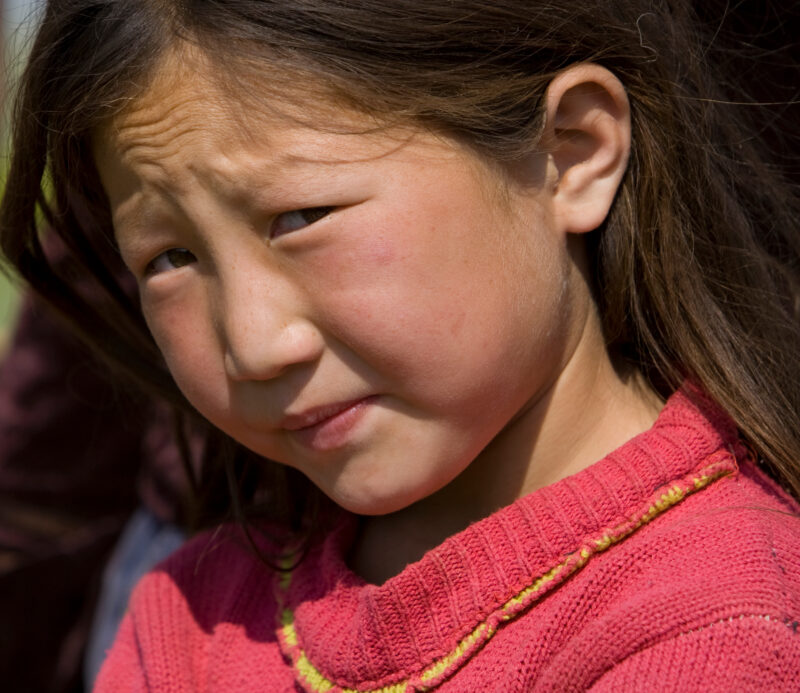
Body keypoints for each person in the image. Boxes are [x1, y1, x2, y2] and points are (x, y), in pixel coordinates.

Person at [1, 1, 799, 690]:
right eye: (170, 259)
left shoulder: (720, 629)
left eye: (301, 218)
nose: (253, 344)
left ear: (571, 152)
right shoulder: (188, 619)